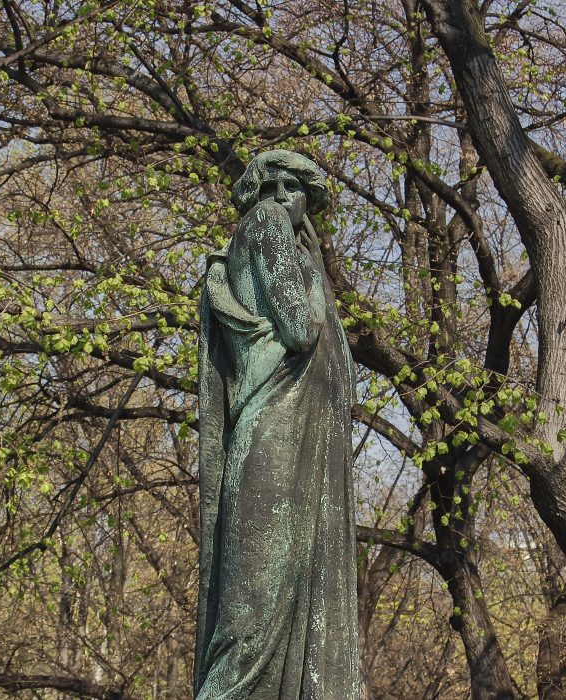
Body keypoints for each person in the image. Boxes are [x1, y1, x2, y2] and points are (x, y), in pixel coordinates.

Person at [195, 150, 359, 699]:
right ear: (258, 192)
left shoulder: (287, 242)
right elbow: (300, 330)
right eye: (274, 185)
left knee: (271, 600)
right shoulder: (265, 224)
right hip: (274, 430)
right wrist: (311, 275)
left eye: (296, 187)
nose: (284, 196)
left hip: (291, 432)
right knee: (253, 612)